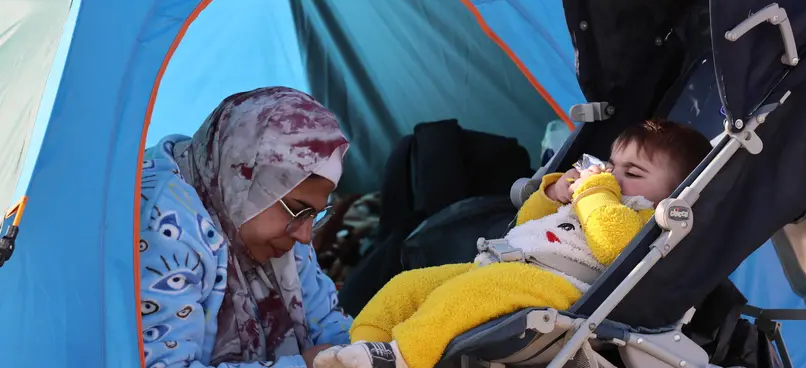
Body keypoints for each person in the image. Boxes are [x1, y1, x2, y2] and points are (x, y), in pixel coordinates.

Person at [314, 119, 711, 368]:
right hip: (510, 264)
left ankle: (404, 357)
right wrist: (552, 194)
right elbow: (526, 226)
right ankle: (364, 348)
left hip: (563, 288)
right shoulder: (598, 198)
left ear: (673, 193)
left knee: (472, 293)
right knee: (407, 285)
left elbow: (614, 246)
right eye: (612, 165)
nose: (613, 176)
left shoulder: (646, 219)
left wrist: (595, 192)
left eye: (633, 173)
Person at [140, 87, 353, 368]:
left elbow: (326, 321)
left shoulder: (273, 226)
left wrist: (364, 353)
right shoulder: (165, 226)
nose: (304, 236)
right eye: (298, 209)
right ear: (243, 175)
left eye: (314, 215)